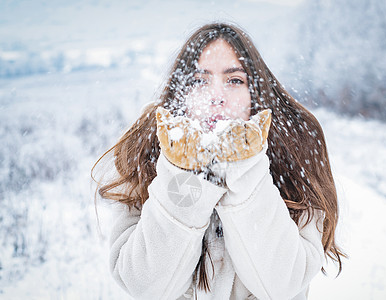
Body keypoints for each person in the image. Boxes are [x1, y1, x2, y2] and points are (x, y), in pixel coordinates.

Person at [92, 22, 344, 299]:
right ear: (182, 93)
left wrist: (244, 169)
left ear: (255, 93)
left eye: (234, 80)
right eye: (200, 81)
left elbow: (282, 285)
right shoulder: (146, 154)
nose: (216, 97)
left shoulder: (293, 155)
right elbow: (145, 285)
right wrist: (183, 171)